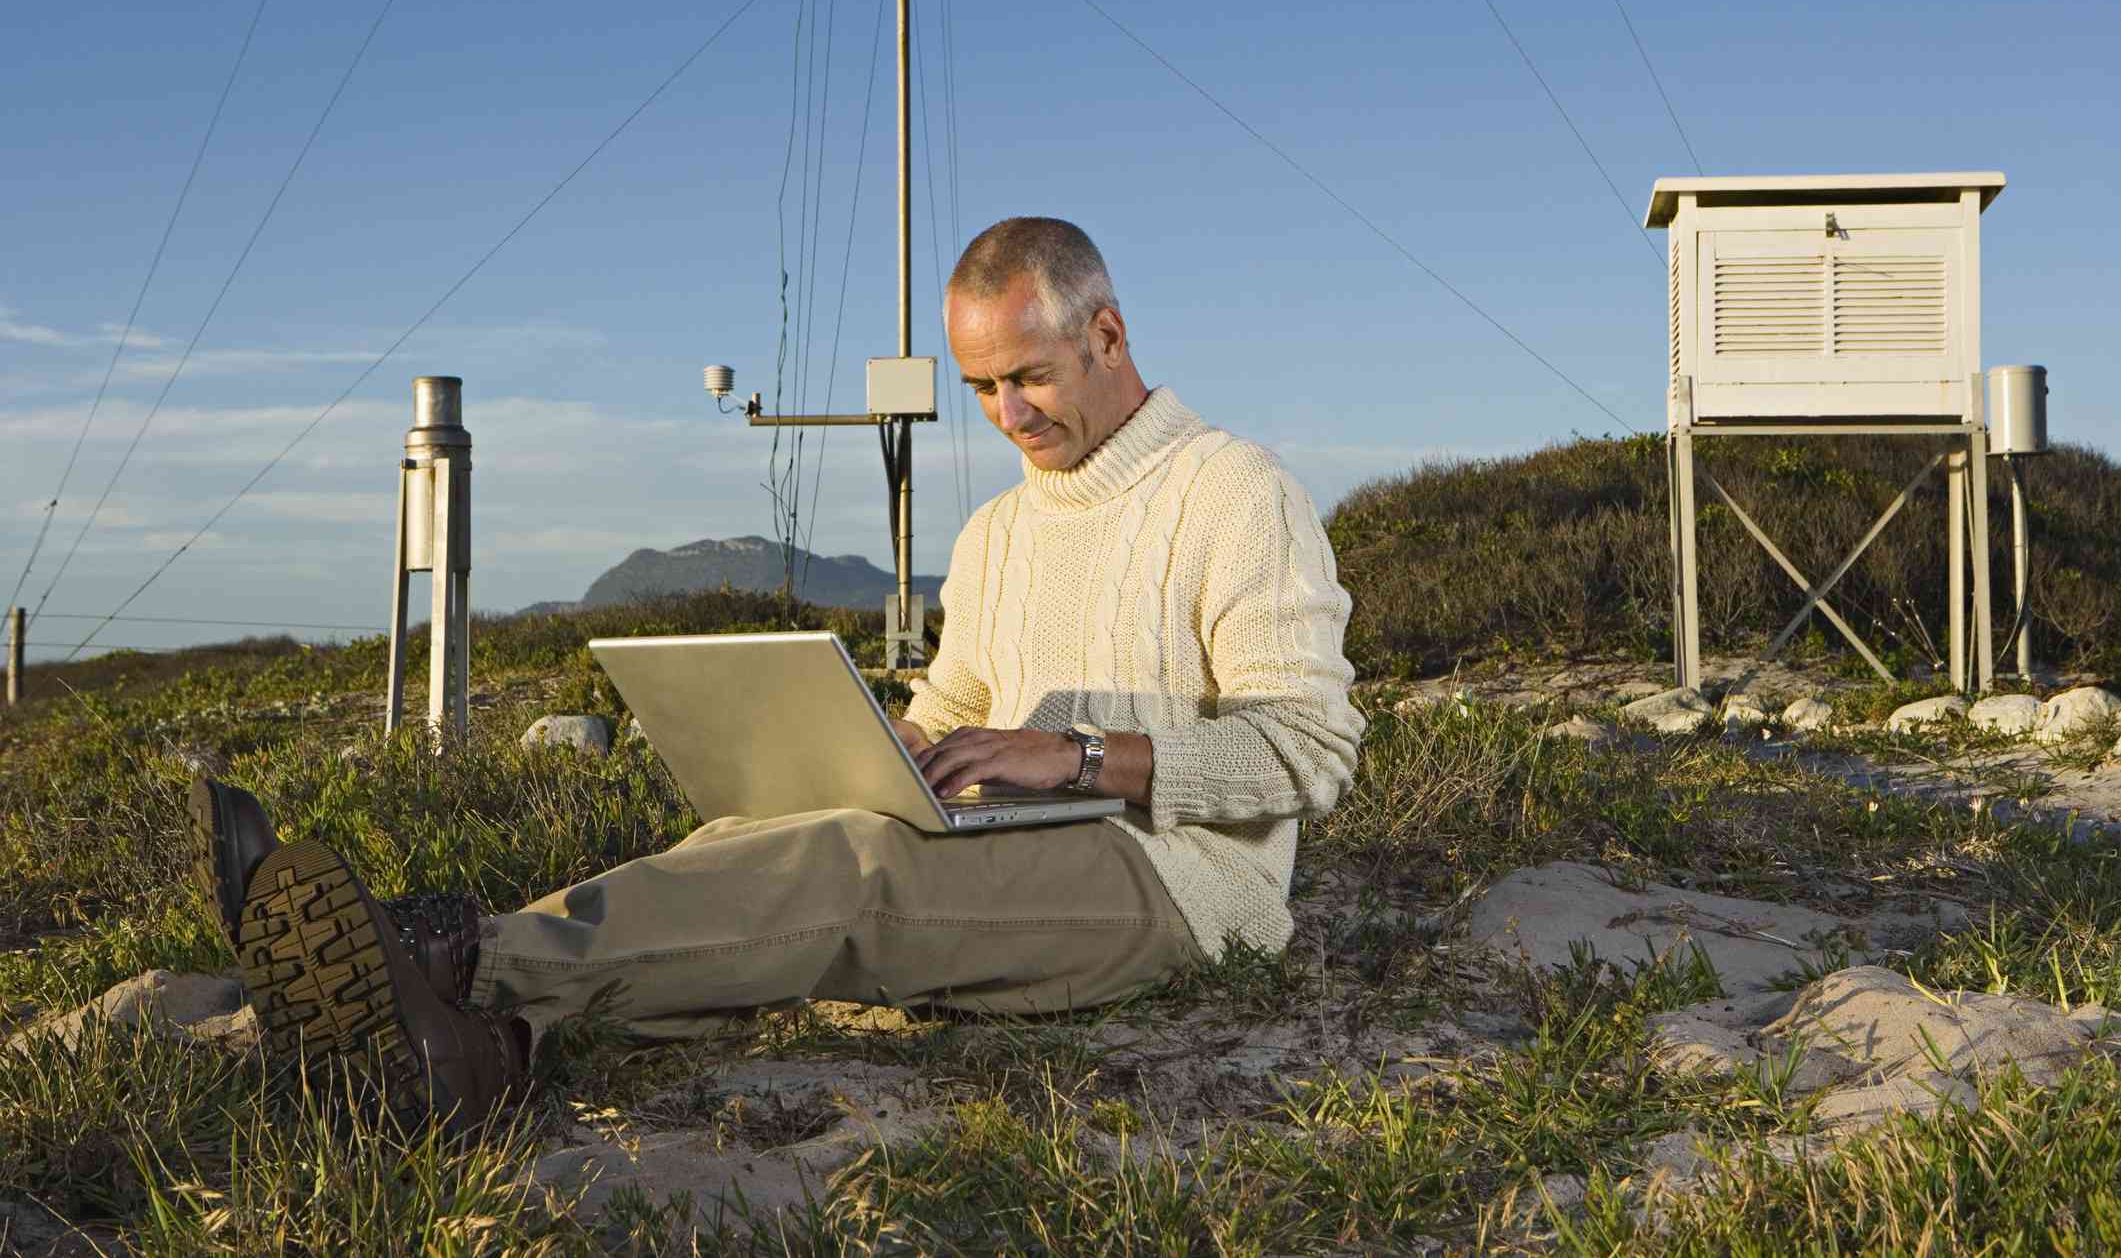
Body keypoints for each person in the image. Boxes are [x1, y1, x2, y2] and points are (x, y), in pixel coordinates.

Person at [194, 216, 1365, 1132]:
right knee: (766, 839)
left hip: (1181, 884)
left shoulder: (1233, 491)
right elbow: (955, 708)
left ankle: (460, 965)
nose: (1007, 413)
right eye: (980, 390)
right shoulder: (1001, 532)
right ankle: (468, 1043)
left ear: (1107, 336)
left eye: (1029, 377)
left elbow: (1312, 753)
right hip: (1021, 836)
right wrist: (895, 746)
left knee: (852, 874)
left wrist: (1078, 754)